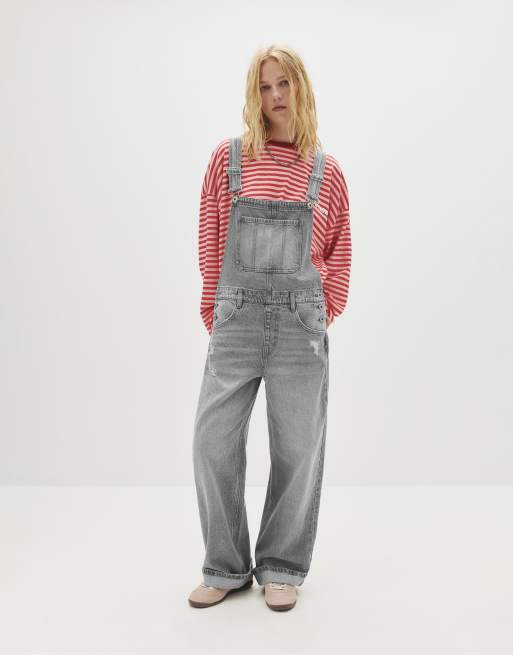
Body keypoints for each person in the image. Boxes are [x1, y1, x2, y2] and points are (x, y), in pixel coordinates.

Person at [188, 44, 352, 611]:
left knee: (298, 448)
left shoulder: (327, 172)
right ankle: (225, 565)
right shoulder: (227, 159)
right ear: (252, 95)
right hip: (234, 319)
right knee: (211, 443)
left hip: (300, 325)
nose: (275, 96)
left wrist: (323, 309)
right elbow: (210, 235)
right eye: (264, 86)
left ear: (300, 87)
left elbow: (339, 250)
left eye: (284, 84)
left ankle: (282, 565)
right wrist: (215, 310)